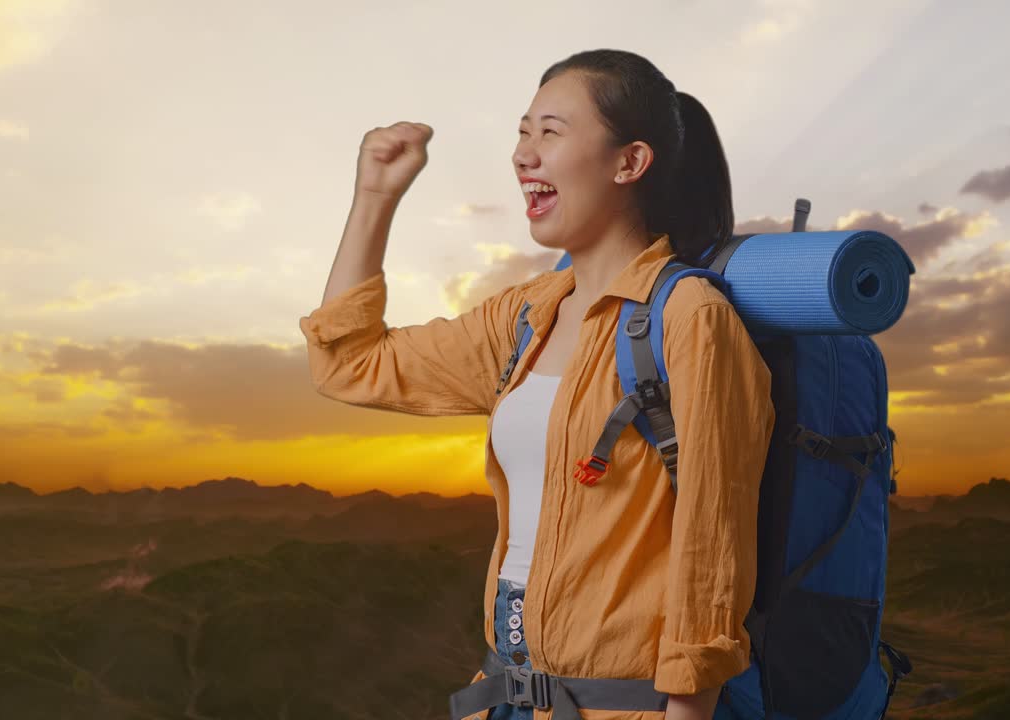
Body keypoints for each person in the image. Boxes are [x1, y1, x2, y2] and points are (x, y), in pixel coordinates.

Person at [298, 48, 775, 720]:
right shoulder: (524, 315)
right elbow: (349, 364)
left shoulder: (689, 319)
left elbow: (712, 543)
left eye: (550, 132)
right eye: (522, 132)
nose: (524, 154)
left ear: (629, 162)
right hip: (510, 693)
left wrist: (690, 710)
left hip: (629, 706)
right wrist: (376, 196)